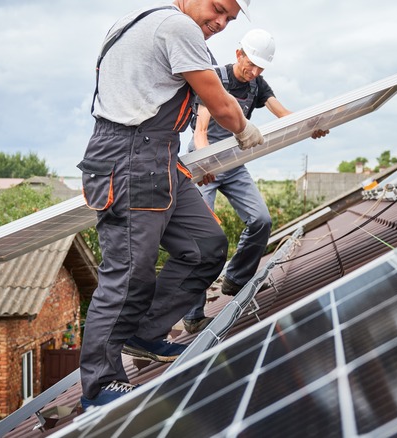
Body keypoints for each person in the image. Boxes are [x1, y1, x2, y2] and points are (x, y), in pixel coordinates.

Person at [77, 0, 263, 410]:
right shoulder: (177, 27)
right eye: (217, 8)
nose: (220, 22)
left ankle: (145, 332)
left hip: (160, 155)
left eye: (229, 19)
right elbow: (219, 104)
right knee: (128, 273)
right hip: (128, 156)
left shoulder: (144, 23)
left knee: (206, 246)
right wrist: (245, 128)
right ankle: (100, 386)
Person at [182, 28, 328, 334]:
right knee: (204, 238)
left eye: (261, 67)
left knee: (261, 219)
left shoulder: (257, 85)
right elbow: (201, 132)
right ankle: (193, 314)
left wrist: (311, 125)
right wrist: (206, 163)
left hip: (234, 164)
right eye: (251, 64)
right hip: (205, 165)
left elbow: (283, 114)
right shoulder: (215, 78)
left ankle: (235, 279)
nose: (255, 71)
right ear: (239, 54)